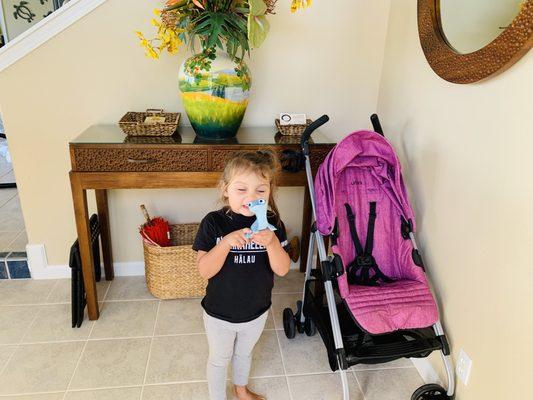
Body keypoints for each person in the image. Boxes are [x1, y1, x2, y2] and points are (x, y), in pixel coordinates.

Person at [193, 149, 291, 400]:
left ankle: (241, 389)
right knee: (219, 359)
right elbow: (204, 270)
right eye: (241, 189)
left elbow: (282, 269)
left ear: (269, 191)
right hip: (219, 313)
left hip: (256, 310)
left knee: (244, 353)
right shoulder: (213, 223)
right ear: (225, 189)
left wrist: (272, 244)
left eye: (260, 190)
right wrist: (225, 244)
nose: (251, 197)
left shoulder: (273, 224)